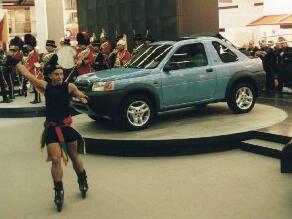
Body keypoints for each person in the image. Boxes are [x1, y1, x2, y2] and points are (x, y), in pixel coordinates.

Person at [6, 53, 89, 212]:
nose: (59, 76)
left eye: (61, 74)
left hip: (67, 128)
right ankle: (58, 191)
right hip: (52, 128)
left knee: (73, 156)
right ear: (50, 76)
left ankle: (82, 180)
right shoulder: (45, 86)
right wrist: (16, 63)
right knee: (56, 160)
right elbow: (27, 74)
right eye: (56, 74)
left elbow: (78, 93)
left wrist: (82, 98)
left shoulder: (69, 86)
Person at [23, 34, 42, 103]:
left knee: (36, 86)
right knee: (35, 86)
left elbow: (32, 63)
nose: (27, 47)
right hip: (33, 70)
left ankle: (38, 99)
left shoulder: (33, 52)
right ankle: (37, 99)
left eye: (28, 45)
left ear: (30, 45)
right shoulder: (32, 52)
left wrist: (26, 69)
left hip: (34, 71)